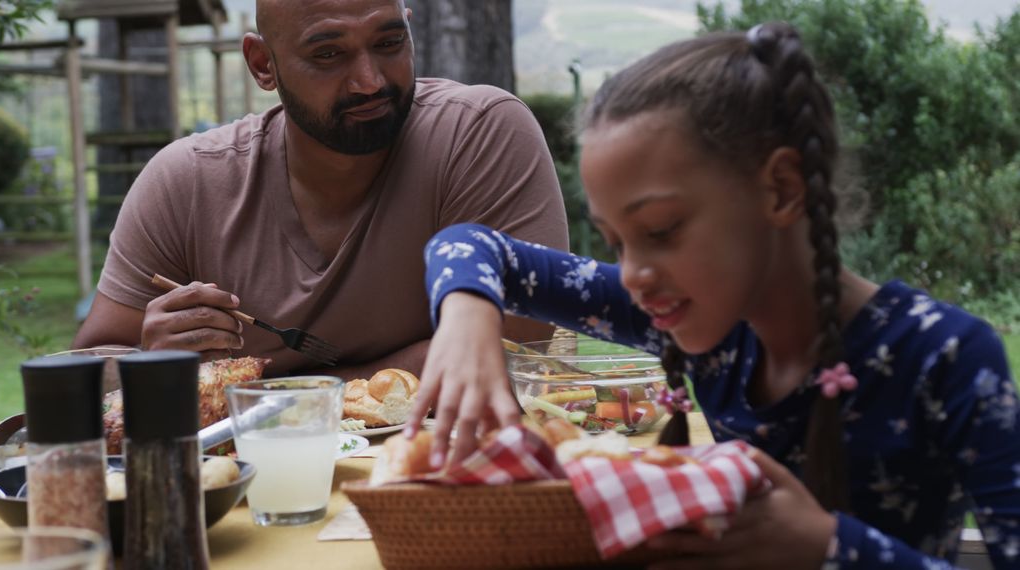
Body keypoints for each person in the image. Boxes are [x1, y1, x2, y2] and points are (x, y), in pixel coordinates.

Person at [404, 22, 1019, 569]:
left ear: (780, 189)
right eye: (617, 242)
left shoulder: (947, 357)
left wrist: (828, 546)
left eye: (662, 231)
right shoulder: (703, 316)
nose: (635, 274)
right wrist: (465, 316)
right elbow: (469, 246)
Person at [72, 0, 568, 378]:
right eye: (328, 54)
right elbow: (85, 368)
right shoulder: (188, 182)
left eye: (389, 43)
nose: (370, 81)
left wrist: (284, 404)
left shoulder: (477, 134)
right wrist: (148, 362)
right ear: (263, 64)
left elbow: (512, 345)